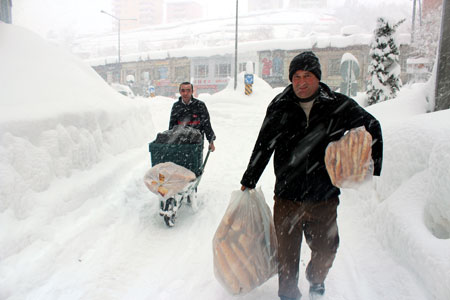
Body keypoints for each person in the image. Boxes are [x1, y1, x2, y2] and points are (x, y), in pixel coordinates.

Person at [240, 51, 383, 300]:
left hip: (324, 196)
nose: (301, 82)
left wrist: (372, 167)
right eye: (296, 76)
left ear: (318, 78)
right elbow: (264, 144)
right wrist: (249, 179)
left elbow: (372, 125)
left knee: (326, 250)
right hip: (287, 197)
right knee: (287, 259)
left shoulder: (336, 104)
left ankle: (316, 278)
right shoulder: (279, 105)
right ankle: (288, 295)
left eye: (307, 76)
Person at [169, 82, 216, 152]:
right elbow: (172, 126)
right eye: (183, 90)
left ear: (192, 91)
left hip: (197, 143)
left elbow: (206, 124)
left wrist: (211, 142)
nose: (185, 93)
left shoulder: (200, 105)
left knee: (196, 162)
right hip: (180, 143)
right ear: (180, 92)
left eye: (188, 90)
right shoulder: (176, 106)